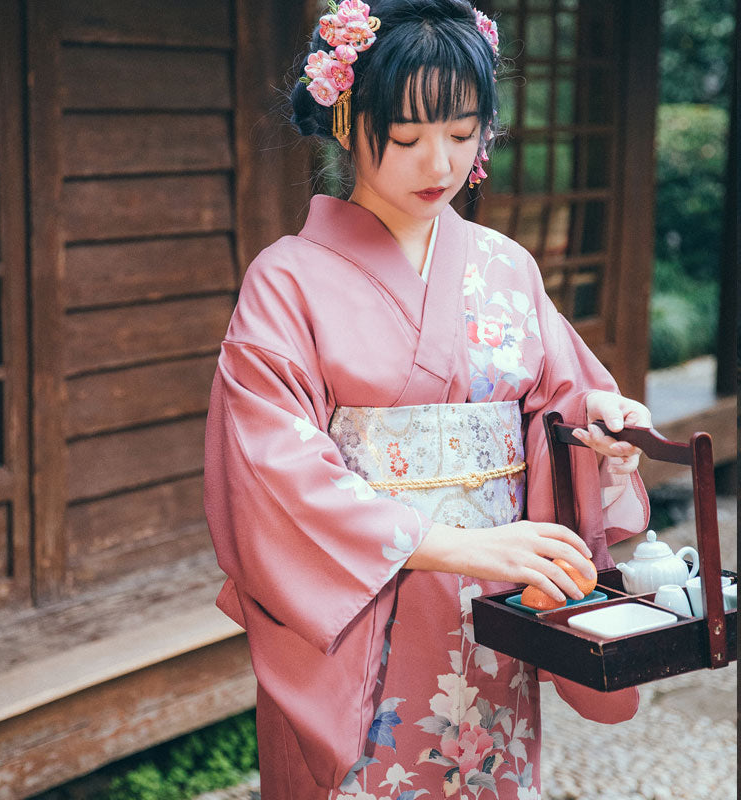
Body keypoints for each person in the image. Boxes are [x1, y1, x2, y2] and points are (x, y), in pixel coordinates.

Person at [204, 1, 652, 797]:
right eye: (407, 138)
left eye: (461, 132)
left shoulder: (506, 267)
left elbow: (563, 407)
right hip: (367, 610)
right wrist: (452, 546)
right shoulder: (287, 279)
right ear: (348, 121)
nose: (438, 164)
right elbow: (272, 470)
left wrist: (604, 431)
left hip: (497, 604)